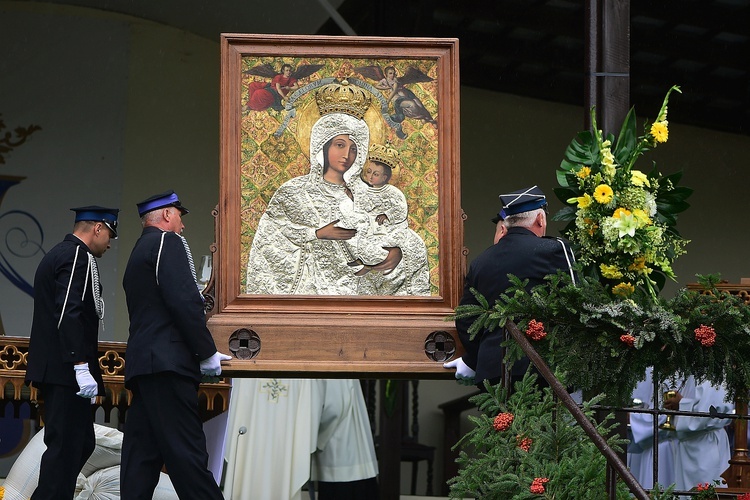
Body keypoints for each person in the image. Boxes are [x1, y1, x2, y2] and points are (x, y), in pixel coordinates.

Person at [227, 80, 381, 500]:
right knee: (283, 448)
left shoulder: (364, 195)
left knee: (345, 445)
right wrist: (318, 233)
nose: (345, 154)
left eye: (352, 147)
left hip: (342, 327)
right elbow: (269, 241)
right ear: (320, 146)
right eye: (337, 145)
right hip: (294, 329)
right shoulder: (293, 191)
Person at [120, 190, 231, 500]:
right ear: (167, 215)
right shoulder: (167, 242)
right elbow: (184, 302)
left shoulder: (139, 249)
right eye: (180, 216)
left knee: (140, 460)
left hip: (146, 365)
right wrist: (206, 352)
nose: (183, 226)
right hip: (168, 366)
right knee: (188, 456)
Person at [25, 205, 119, 499]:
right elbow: (69, 312)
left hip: (61, 368)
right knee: (65, 448)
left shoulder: (63, 253)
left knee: (80, 445)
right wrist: (80, 365)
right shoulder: (77, 255)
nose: (110, 242)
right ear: (98, 228)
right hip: (65, 370)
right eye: (110, 235)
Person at [444, 185, 577, 388]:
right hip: (544, 368)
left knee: (501, 420)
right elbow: (575, 301)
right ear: (540, 219)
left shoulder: (481, 261)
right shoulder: (554, 249)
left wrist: (476, 358)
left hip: (493, 370)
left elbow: (466, 320)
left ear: (507, 223)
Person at [340, 142, 430, 295]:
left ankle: (371, 267)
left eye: (375, 174)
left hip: (391, 227)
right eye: (368, 172)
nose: (370, 176)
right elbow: (363, 205)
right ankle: (363, 264)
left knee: (386, 245)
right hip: (372, 227)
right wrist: (352, 197)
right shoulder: (366, 191)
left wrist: (387, 215)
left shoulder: (393, 193)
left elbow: (400, 210)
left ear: (386, 177)